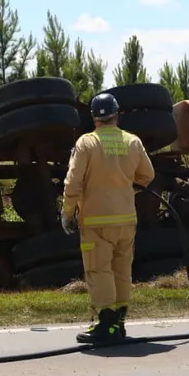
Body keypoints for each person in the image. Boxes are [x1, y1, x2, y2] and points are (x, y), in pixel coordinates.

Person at [61, 93, 156, 344]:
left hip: (96, 222)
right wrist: (126, 190)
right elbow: (147, 176)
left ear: (94, 118)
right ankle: (119, 324)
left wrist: (68, 212)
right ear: (117, 115)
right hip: (126, 220)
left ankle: (106, 325)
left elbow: (73, 182)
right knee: (122, 271)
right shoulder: (132, 141)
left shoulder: (87, 143)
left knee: (99, 270)